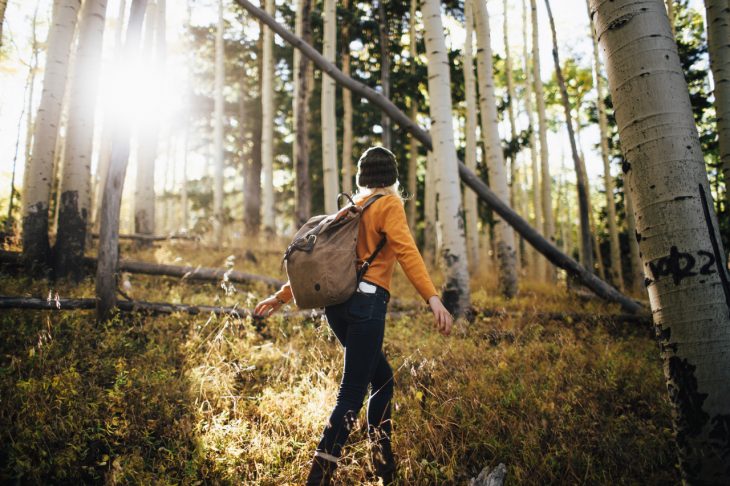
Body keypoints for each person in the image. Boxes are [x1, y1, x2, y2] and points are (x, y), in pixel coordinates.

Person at [254, 146, 453, 485]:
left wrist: (281, 296)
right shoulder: (389, 205)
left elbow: (323, 264)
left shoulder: (352, 208)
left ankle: (382, 460)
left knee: (383, 380)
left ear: (362, 178)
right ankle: (319, 475)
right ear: (391, 178)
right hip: (366, 307)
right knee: (352, 392)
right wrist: (432, 298)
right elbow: (407, 251)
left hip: (338, 307)